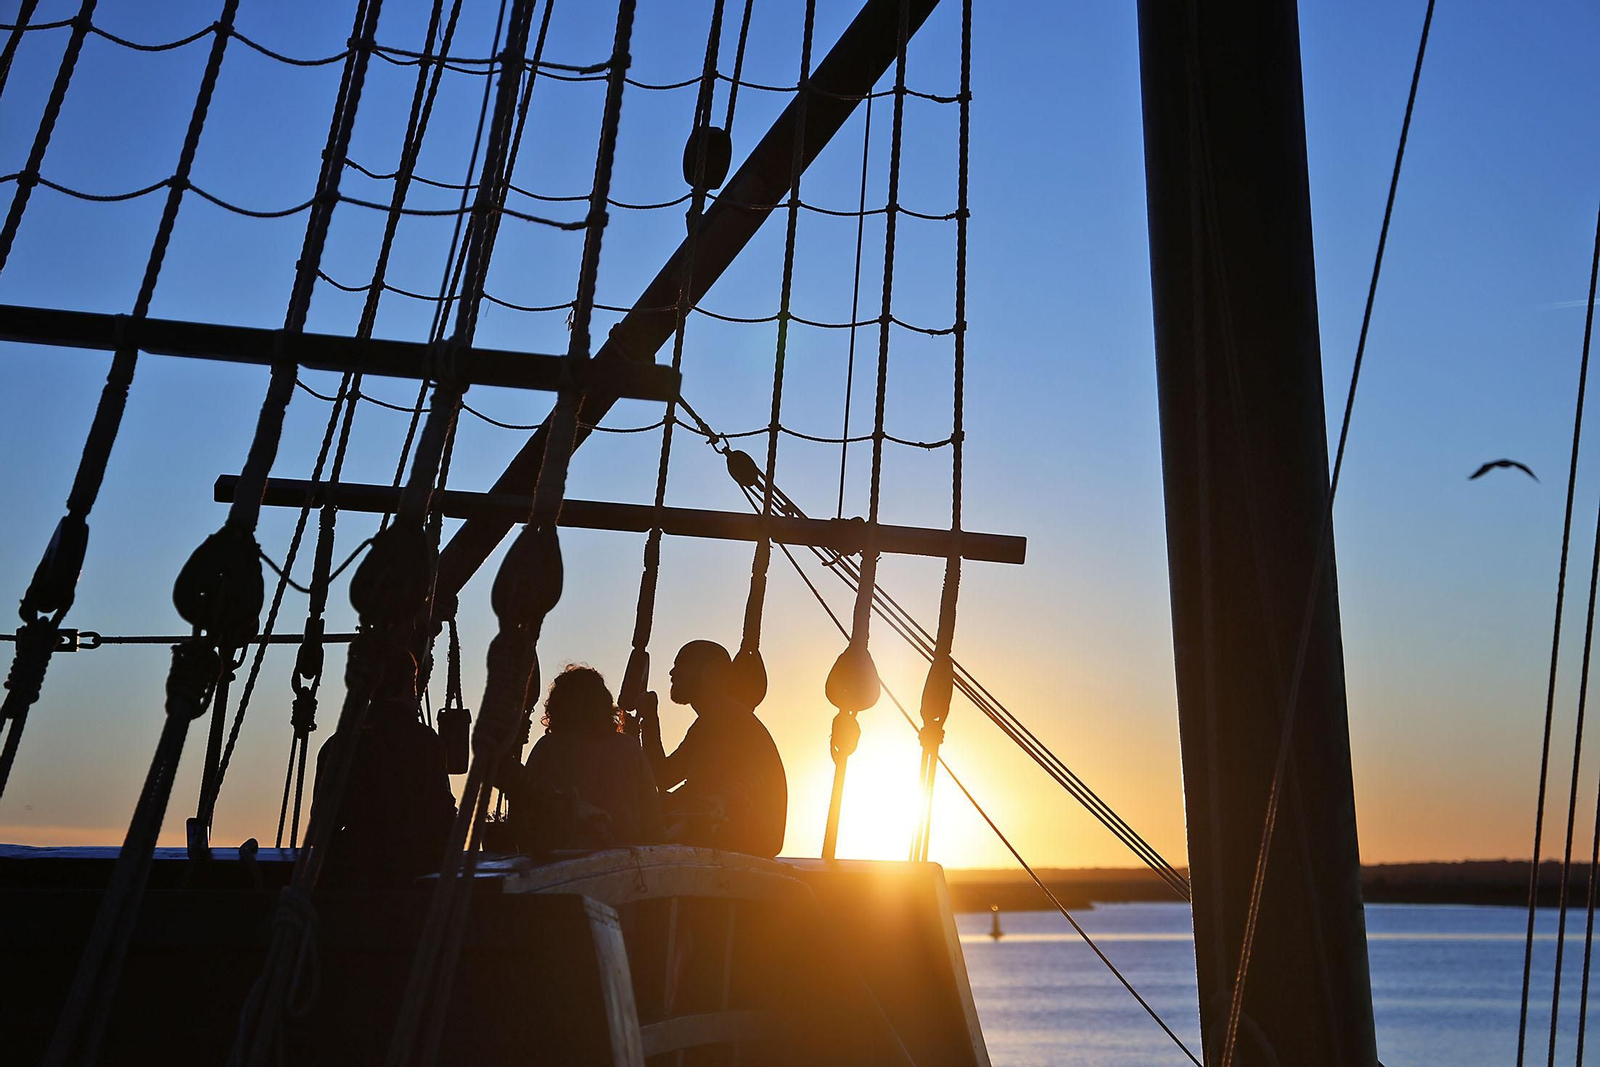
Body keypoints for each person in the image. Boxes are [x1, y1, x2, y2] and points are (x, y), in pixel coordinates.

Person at [315, 649, 457, 888]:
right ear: (407, 685)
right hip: (407, 881)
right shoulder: (425, 743)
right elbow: (442, 815)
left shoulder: (337, 745)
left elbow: (321, 820)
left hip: (348, 881)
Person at [637, 640, 787, 858]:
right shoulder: (712, 720)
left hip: (743, 840)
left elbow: (698, 794)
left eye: (682, 665)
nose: (672, 672)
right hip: (737, 835)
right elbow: (663, 777)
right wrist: (650, 719)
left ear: (712, 673)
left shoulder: (724, 720)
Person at [517, 665, 661, 853]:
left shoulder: (548, 749)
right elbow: (653, 818)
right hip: (627, 865)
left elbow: (523, 819)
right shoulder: (629, 748)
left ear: (557, 706)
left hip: (563, 866)